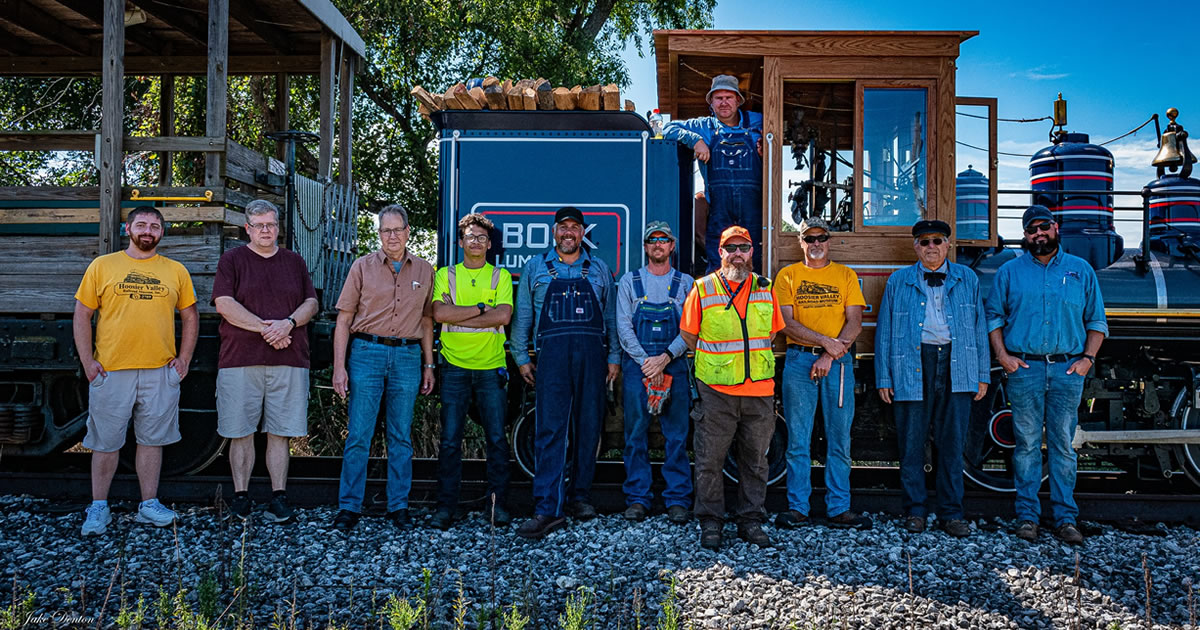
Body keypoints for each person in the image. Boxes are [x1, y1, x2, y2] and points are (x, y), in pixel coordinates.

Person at [985, 205, 1106, 545]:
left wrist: (1087, 360)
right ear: (1025, 236)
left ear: (1055, 227)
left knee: (1063, 447)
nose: (1038, 234)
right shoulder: (1009, 272)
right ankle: (1027, 517)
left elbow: (1096, 321)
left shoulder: (1081, 271)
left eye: (1043, 227)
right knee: (1025, 445)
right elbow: (993, 316)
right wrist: (1003, 356)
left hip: (1068, 369)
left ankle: (1066, 519)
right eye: (1031, 230)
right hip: (1025, 368)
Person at [75, 206, 198, 536]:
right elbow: (82, 315)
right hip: (112, 371)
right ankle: (99, 507)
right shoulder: (103, 266)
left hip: (160, 372)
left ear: (161, 232)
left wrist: (183, 359)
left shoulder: (175, 271)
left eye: (155, 226)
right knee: (105, 443)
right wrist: (88, 362)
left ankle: (148, 505)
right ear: (127, 229)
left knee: (152, 441)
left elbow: (190, 317)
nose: (148, 230)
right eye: (141, 224)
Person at [510, 206, 620, 539]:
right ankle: (548, 508)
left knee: (588, 428)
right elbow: (523, 318)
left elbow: (612, 319)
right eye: (563, 227)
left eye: (575, 227)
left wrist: (613, 357)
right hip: (551, 359)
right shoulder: (535, 268)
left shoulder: (599, 269)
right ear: (554, 232)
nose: (569, 232)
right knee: (550, 430)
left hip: (592, 357)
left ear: (582, 233)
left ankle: (580, 498)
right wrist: (520, 357)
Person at [875, 219, 989, 537]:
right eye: (924, 242)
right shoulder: (899, 282)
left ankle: (951, 513)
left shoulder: (968, 279)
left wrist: (982, 374)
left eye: (937, 241)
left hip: (958, 364)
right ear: (916, 247)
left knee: (952, 443)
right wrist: (884, 377)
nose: (931, 247)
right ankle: (915, 511)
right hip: (913, 362)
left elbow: (979, 329)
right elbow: (884, 331)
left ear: (947, 244)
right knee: (911, 441)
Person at [212, 199, 319, 524]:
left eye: (271, 224)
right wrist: (269, 329)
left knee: (280, 433)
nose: (266, 230)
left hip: (289, 360)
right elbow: (224, 304)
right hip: (240, 360)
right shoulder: (232, 260)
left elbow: (311, 302)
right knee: (240, 431)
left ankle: (278, 497)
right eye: (259, 225)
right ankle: (241, 497)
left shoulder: (294, 261)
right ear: (248, 228)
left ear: (278, 226)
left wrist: (287, 324)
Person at [330, 204, 435, 532]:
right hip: (366, 353)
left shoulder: (425, 271)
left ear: (407, 232)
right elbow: (344, 320)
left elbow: (428, 320)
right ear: (379, 234)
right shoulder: (361, 267)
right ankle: (349, 507)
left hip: (407, 356)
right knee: (359, 434)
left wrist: (429, 364)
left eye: (397, 229)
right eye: (385, 230)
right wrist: (339, 367)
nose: (392, 236)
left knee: (401, 436)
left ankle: (398, 507)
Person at [680, 225, 784, 549]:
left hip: (759, 393)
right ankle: (711, 522)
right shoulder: (703, 289)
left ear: (751, 252)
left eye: (744, 247)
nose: (737, 253)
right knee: (710, 460)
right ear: (720, 253)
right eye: (731, 247)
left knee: (756, 461)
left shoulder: (766, 288)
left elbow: (772, 333)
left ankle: (750, 521)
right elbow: (689, 337)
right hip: (716, 391)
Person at [773, 216, 871, 530]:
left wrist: (829, 353)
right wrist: (826, 344)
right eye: (809, 238)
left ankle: (839, 508)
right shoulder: (787, 276)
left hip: (837, 363)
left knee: (839, 438)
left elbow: (855, 322)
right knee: (798, 440)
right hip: (799, 362)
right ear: (800, 242)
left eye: (821, 238)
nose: (816, 244)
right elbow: (786, 323)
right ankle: (798, 508)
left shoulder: (846, 275)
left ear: (829, 241)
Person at [430, 213, 513, 529]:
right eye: (470, 236)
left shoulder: (500, 276)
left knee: (496, 439)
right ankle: (445, 508)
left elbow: (503, 317)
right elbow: (439, 313)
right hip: (454, 367)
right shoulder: (446, 274)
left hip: (491, 367)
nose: (475, 241)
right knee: (450, 440)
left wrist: (459, 315)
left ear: (489, 244)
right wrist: (481, 309)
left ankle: (498, 507)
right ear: (460, 242)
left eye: (481, 237)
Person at [615, 221, 694, 524]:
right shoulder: (629, 282)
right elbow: (623, 326)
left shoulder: (686, 283)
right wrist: (647, 361)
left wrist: (664, 358)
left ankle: (677, 499)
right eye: (652, 240)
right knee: (635, 434)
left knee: (677, 435)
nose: (658, 244)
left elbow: (690, 329)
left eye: (664, 240)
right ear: (646, 246)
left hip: (673, 362)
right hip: (638, 366)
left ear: (672, 246)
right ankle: (638, 498)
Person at [663, 74, 764, 273]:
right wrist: (695, 140)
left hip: (754, 208)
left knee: (754, 260)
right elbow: (667, 128)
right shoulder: (704, 126)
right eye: (719, 98)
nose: (724, 102)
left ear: (738, 100)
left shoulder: (759, 122)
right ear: (711, 102)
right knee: (718, 261)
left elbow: (779, 135)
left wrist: (767, 147)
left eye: (729, 97)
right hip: (719, 208)